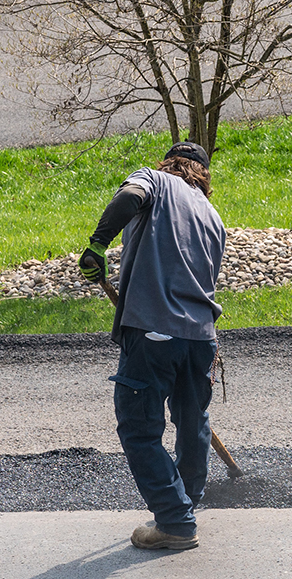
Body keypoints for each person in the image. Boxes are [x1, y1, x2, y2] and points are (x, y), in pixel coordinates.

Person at [78, 141, 225, 550]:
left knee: (139, 429)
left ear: (170, 164)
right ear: (203, 176)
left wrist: (98, 244)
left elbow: (129, 196)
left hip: (154, 334)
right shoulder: (213, 218)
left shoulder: (155, 182)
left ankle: (176, 522)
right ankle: (185, 505)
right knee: (192, 420)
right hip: (201, 338)